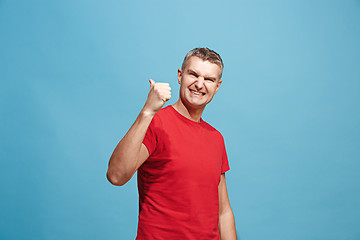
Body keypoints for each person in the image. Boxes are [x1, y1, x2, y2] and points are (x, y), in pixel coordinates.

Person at [107, 48, 237, 239]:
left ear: (217, 87)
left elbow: (223, 212)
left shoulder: (216, 138)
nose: (199, 84)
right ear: (180, 75)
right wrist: (147, 112)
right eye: (193, 74)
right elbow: (116, 176)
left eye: (208, 79)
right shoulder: (156, 123)